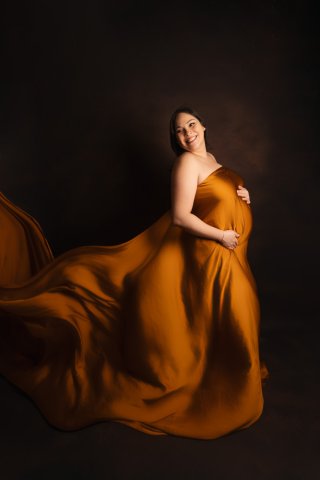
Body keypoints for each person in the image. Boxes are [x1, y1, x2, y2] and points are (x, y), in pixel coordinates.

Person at [0, 106, 267, 440]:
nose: (187, 133)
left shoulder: (211, 158)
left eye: (191, 125)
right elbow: (181, 217)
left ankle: (224, 379)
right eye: (179, 131)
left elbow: (213, 198)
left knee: (225, 319)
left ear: (203, 125)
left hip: (227, 258)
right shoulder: (185, 163)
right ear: (176, 139)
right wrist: (221, 235)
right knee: (224, 316)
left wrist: (241, 194)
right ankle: (224, 392)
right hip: (206, 257)